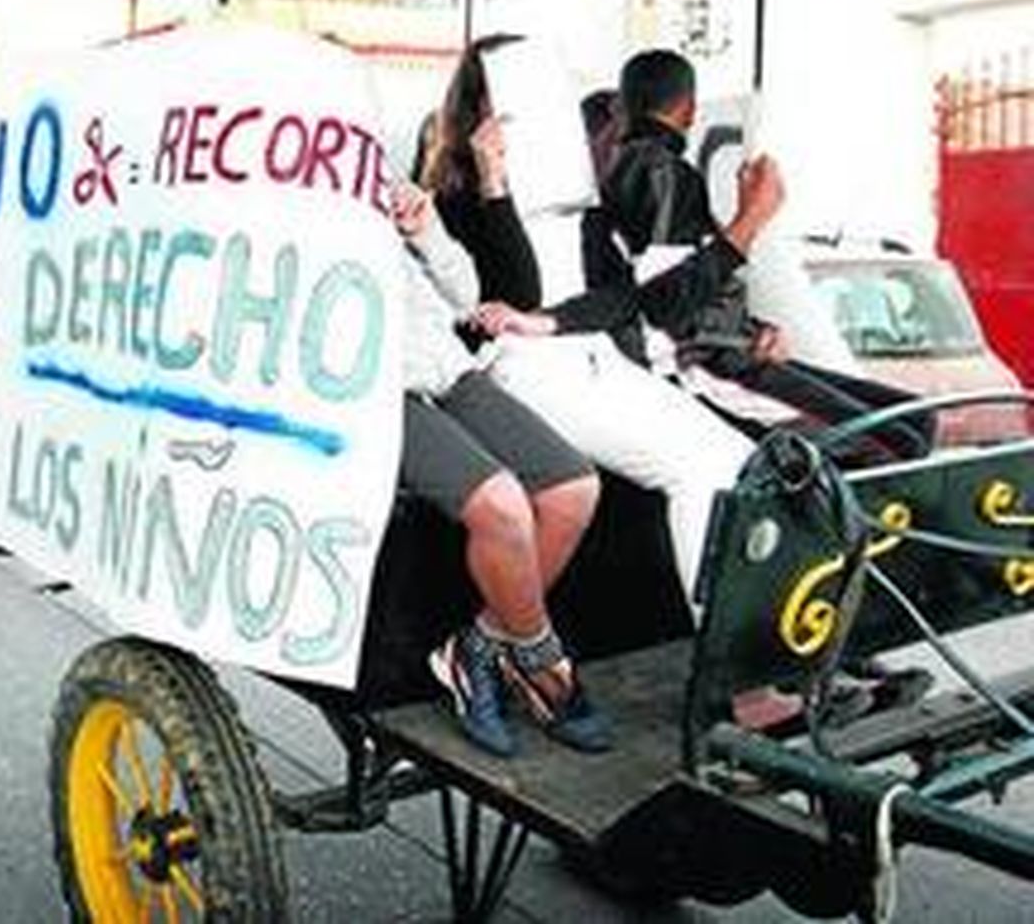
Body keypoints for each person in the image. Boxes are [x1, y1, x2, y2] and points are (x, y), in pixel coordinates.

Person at [421, 49, 757, 599]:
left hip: (584, 348)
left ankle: (749, 654)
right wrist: (495, 184)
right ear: (479, 111)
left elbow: (622, 295)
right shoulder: (454, 199)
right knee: (692, 473)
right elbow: (516, 292)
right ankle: (739, 674)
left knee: (734, 459)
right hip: (519, 366)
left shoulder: (576, 197)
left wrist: (554, 321)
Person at [599, 49, 932, 460]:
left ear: (625, 106)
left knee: (915, 420)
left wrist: (749, 326)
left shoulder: (642, 171)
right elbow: (668, 303)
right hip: (704, 368)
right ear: (688, 110)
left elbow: (688, 285)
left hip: (722, 350)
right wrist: (753, 217)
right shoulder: (661, 173)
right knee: (894, 442)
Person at [393, 180, 610, 757]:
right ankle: (542, 660)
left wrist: (426, 231)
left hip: (449, 371)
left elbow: (465, 296)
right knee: (503, 506)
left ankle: (479, 646)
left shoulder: (380, 182)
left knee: (574, 488)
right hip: (376, 393)